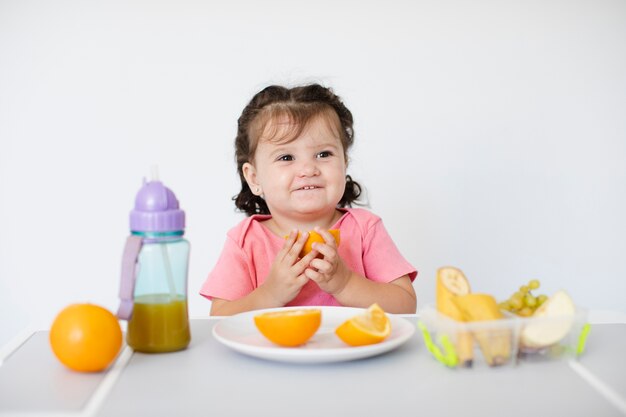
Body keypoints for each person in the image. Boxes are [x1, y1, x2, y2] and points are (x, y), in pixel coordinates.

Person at [200, 84, 417, 315]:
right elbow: (219, 317)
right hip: (273, 352)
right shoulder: (245, 241)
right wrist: (270, 294)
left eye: (324, 154)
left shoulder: (365, 229)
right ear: (254, 178)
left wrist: (345, 284)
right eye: (286, 157)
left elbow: (405, 305)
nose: (308, 168)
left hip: (352, 349)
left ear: (344, 163)